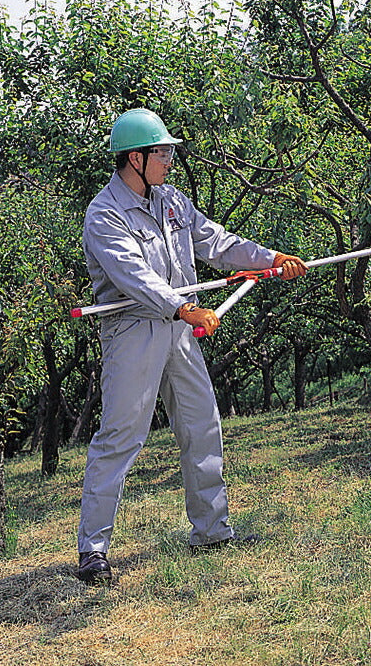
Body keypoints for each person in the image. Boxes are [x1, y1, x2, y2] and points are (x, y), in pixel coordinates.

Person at [77, 108, 307, 584]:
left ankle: (212, 530)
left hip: (180, 329)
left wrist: (270, 258)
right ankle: (93, 551)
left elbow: (217, 243)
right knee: (121, 438)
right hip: (132, 330)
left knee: (202, 425)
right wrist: (184, 309)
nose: (169, 159)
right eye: (161, 152)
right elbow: (133, 278)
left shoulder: (173, 202)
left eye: (168, 151)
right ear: (134, 158)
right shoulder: (104, 215)